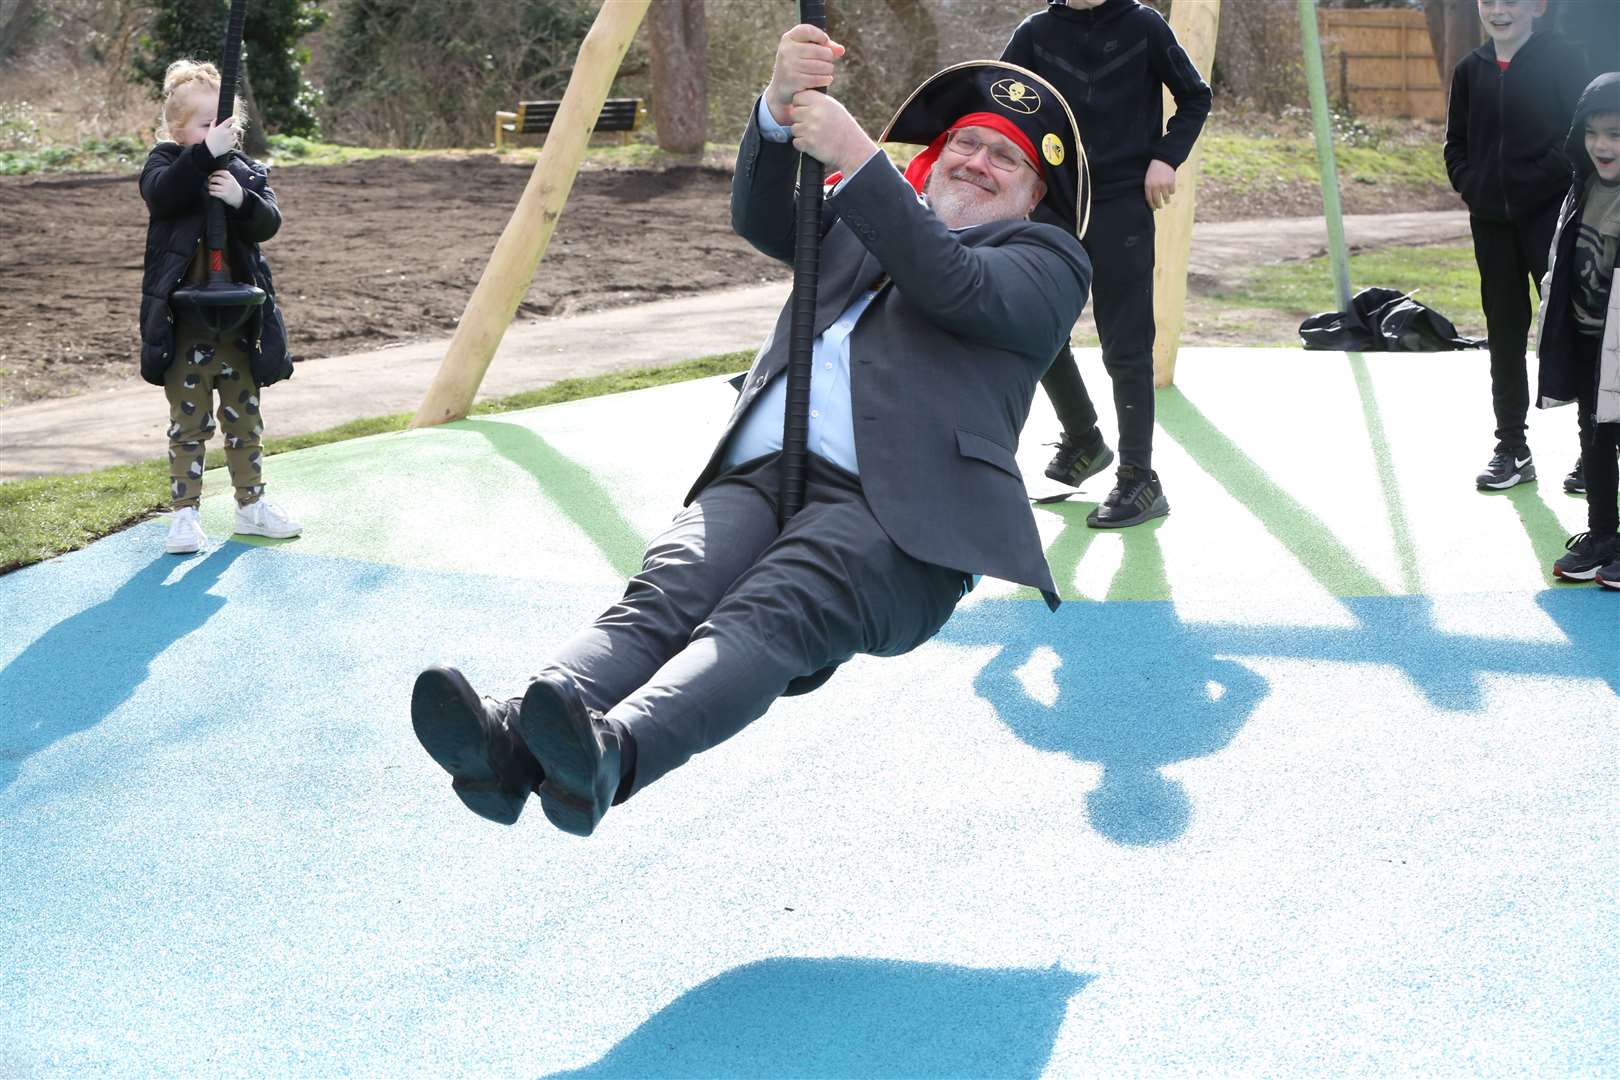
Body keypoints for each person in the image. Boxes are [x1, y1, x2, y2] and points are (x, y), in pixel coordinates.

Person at [409, 27, 1092, 836]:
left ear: (1035, 194)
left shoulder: (1046, 262)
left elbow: (956, 284)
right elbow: (768, 213)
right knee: (662, 599)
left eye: (1004, 158)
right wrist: (777, 107)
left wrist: (859, 158)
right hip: (767, 474)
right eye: (965, 144)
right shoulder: (871, 216)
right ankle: (508, 746)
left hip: (899, 521)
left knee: (768, 613)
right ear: (935, 156)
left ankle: (612, 756)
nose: (976, 161)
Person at [1001, 0, 1211, 528]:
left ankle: (1140, 479)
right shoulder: (1034, 34)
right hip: (1053, 201)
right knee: (1035, 326)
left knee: (1126, 346)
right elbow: (1003, 108)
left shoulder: (1143, 26)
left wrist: (1167, 156)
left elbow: (1194, 96)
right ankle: (1083, 439)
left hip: (1122, 203)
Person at [139, 59, 300, 555]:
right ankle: (185, 515)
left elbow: (267, 222)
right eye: (205, 125)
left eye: (223, 126)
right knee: (189, 425)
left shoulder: (245, 171)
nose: (216, 134)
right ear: (178, 128)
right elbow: (162, 196)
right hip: (185, 323)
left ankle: (250, 505)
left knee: (244, 418)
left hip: (237, 324)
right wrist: (203, 157)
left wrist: (240, 197)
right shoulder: (166, 165)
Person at [1443, 0, 1592, 493]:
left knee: (1573, 330)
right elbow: (1455, 145)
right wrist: (1475, 186)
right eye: (1489, 1)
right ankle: (1512, 448)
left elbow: (1579, 139)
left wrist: (1533, 185)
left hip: (1550, 218)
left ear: (1537, 6)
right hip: (1491, 225)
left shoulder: (1565, 60)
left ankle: (1593, 453)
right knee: (1504, 333)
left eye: (1511, 1)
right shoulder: (1469, 70)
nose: (1499, 11)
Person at [1540, 73, 1620, 587]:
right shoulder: (1583, 185)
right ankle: (1603, 533)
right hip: (1590, 338)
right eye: (1592, 132)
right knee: (1594, 436)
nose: (1601, 144)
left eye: (1615, 133)